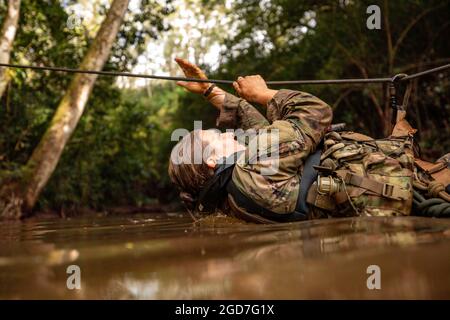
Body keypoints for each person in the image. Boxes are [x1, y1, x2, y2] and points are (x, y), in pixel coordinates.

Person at [168, 58, 450, 223]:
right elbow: (316, 112)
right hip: (409, 187)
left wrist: (210, 91)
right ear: (212, 160)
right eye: (217, 136)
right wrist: (264, 94)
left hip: (396, 194)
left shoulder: (233, 196)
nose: (228, 133)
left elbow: (262, 132)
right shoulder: (253, 164)